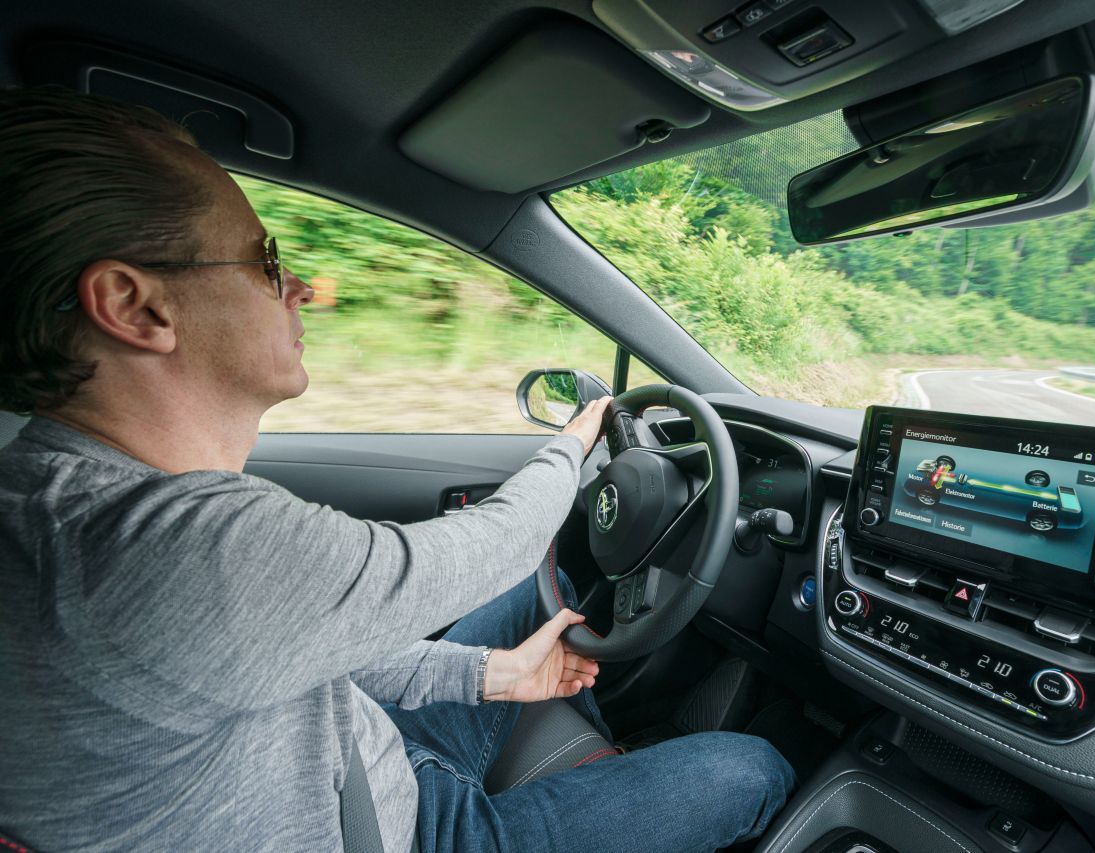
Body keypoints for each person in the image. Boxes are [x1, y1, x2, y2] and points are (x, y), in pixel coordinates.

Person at [0, 87, 795, 851]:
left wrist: (490, 675)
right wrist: (577, 442)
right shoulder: (165, 545)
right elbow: (493, 541)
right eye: (266, 260)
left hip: (360, 757)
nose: (301, 288)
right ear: (137, 307)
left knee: (535, 595)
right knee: (751, 768)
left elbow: (292, 643)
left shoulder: (62, 499)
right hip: (409, 833)